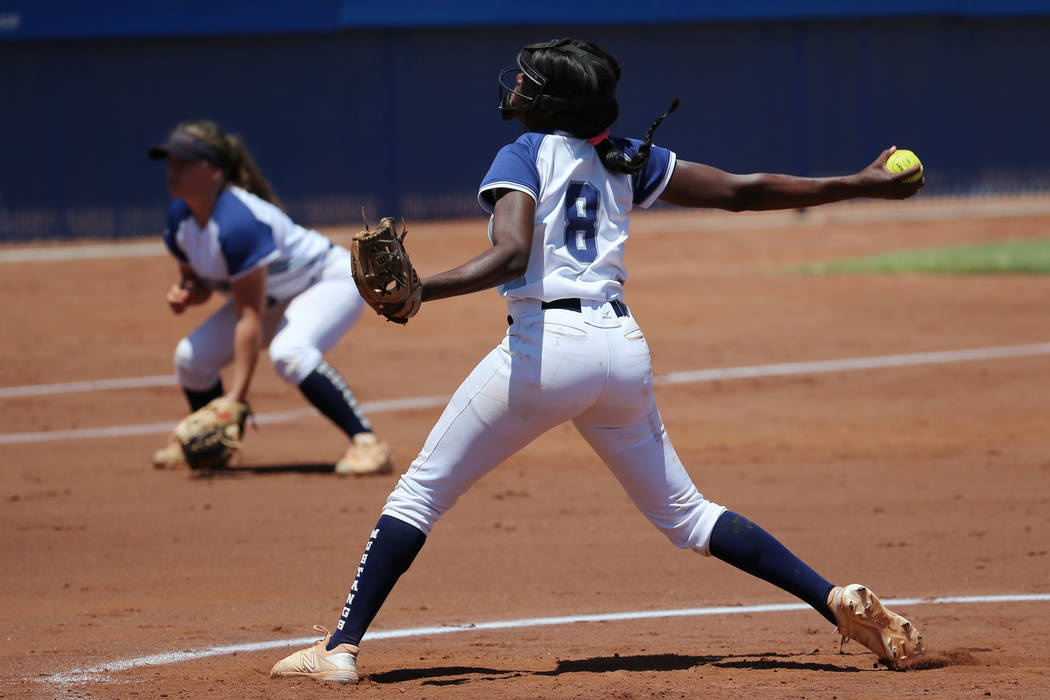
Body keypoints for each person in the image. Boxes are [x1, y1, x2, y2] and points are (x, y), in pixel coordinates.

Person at [271, 38, 926, 684]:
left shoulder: (524, 153)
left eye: (526, 80)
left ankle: (339, 649)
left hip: (545, 351)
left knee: (419, 494)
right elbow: (741, 191)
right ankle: (833, 599)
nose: (516, 86)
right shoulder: (625, 158)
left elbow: (511, 255)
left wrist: (421, 292)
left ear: (548, 101)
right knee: (689, 515)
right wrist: (859, 183)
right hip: (620, 353)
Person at [147, 120, 391, 476]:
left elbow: (249, 316)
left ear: (214, 170)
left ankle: (368, 444)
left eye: (184, 162)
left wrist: (236, 396)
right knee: (190, 358)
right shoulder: (180, 218)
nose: (173, 171)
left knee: (288, 352)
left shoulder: (238, 223)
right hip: (271, 296)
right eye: (170, 162)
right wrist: (186, 293)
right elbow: (199, 283)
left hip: (325, 281)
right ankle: (215, 442)